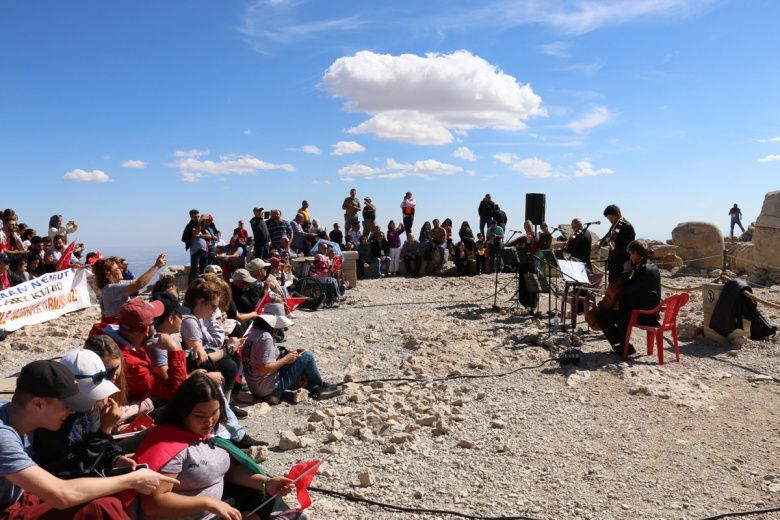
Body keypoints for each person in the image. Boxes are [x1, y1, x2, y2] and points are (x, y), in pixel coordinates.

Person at [0, 360, 175, 519]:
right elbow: (61, 495)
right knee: (101, 509)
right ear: (38, 404)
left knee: (106, 499)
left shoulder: (18, 416)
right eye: (67, 405)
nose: (72, 411)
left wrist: (114, 459)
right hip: (8, 509)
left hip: (22, 498)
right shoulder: (3, 436)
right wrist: (133, 480)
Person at [135, 374, 299, 520]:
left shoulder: (209, 434)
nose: (209, 422)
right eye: (199, 416)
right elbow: (153, 505)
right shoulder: (168, 446)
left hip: (215, 509)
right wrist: (208, 503)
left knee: (263, 493)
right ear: (182, 411)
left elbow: (228, 470)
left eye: (214, 413)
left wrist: (267, 483)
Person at [32, 349, 125, 479]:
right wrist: (105, 430)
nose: (94, 400)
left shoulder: (89, 407)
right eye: (90, 395)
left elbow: (93, 445)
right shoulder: (51, 418)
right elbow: (69, 470)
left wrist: (115, 459)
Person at [98, 298, 188, 403]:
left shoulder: (103, 332)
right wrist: (174, 349)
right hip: (128, 412)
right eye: (154, 322)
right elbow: (177, 392)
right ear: (146, 330)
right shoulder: (131, 365)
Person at [243, 309, 342, 403]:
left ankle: (315, 388)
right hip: (265, 388)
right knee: (307, 356)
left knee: (299, 367)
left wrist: (288, 356)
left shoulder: (254, 332)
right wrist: (286, 359)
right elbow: (263, 368)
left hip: (255, 386)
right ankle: (321, 386)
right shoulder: (266, 337)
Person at [595, 240, 661, 356]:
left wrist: (626, 271)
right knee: (618, 311)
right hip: (650, 311)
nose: (630, 257)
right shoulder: (651, 266)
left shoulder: (643, 270)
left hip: (643, 315)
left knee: (602, 315)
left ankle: (623, 347)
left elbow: (627, 289)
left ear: (636, 253)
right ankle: (623, 345)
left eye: (630, 254)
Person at [92, 254, 167, 321]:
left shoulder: (116, 284)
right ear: (109, 274)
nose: (121, 270)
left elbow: (138, 281)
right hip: (117, 326)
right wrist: (156, 266)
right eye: (117, 269)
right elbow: (139, 284)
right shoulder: (110, 289)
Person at [597, 204, 636, 284]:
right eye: (608, 219)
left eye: (611, 218)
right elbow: (608, 236)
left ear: (617, 214)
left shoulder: (627, 227)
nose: (610, 220)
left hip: (622, 265)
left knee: (619, 288)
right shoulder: (615, 225)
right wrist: (599, 243)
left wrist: (611, 245)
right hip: (613, 264)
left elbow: (627, 248)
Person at [182, 210, 209, 283]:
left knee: (204, 269)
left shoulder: (202, 225)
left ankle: (203, 286)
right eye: (195, 217)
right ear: (191, 217)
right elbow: (195, 232)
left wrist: (201, 235)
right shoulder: (190, 225)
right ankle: (190, 286)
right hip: (195, 251)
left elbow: (209, 236)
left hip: (204, 250)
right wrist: (200, 222)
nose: (197, 218)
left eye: (198, 216)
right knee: (194, 269)